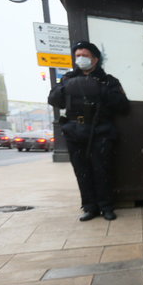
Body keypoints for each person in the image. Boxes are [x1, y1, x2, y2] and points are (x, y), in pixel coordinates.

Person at [48, 41, 129, 221]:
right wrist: (65, 88)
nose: (81, 59)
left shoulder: (108, 80)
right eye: (78, 56)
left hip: (100, 131)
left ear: (95, 59)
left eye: (85, 55)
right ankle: (89, 207)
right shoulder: (68, 79)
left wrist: (100, 90)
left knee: (102, 170)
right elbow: (53, 99)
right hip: (75, 131)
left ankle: (106, 206)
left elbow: (123, 106)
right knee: (82, 170)